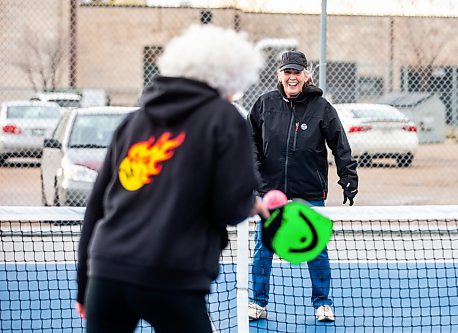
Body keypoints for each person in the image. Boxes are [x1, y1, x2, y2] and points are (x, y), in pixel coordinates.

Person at [75, 24, 269, 333]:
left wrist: (84, 285)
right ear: (228, 76)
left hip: (106, 275)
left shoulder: (133, 122)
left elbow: (96, 207)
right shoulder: (224, 118)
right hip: (173, 277)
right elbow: (229, 207)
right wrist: (252, 204)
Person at [247, 50, 358, 322]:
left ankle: (323, 303)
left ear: (306, 75)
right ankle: (258, 303)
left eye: (297, 72)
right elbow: (250, 142)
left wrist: (348, 176)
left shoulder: (322, 108)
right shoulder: (264, 104)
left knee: (316, 249)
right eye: (287, 72)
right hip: (270, 193)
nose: (292, 77)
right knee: (264, 247)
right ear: (280, 75)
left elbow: (340, 144)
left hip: (308, 192)